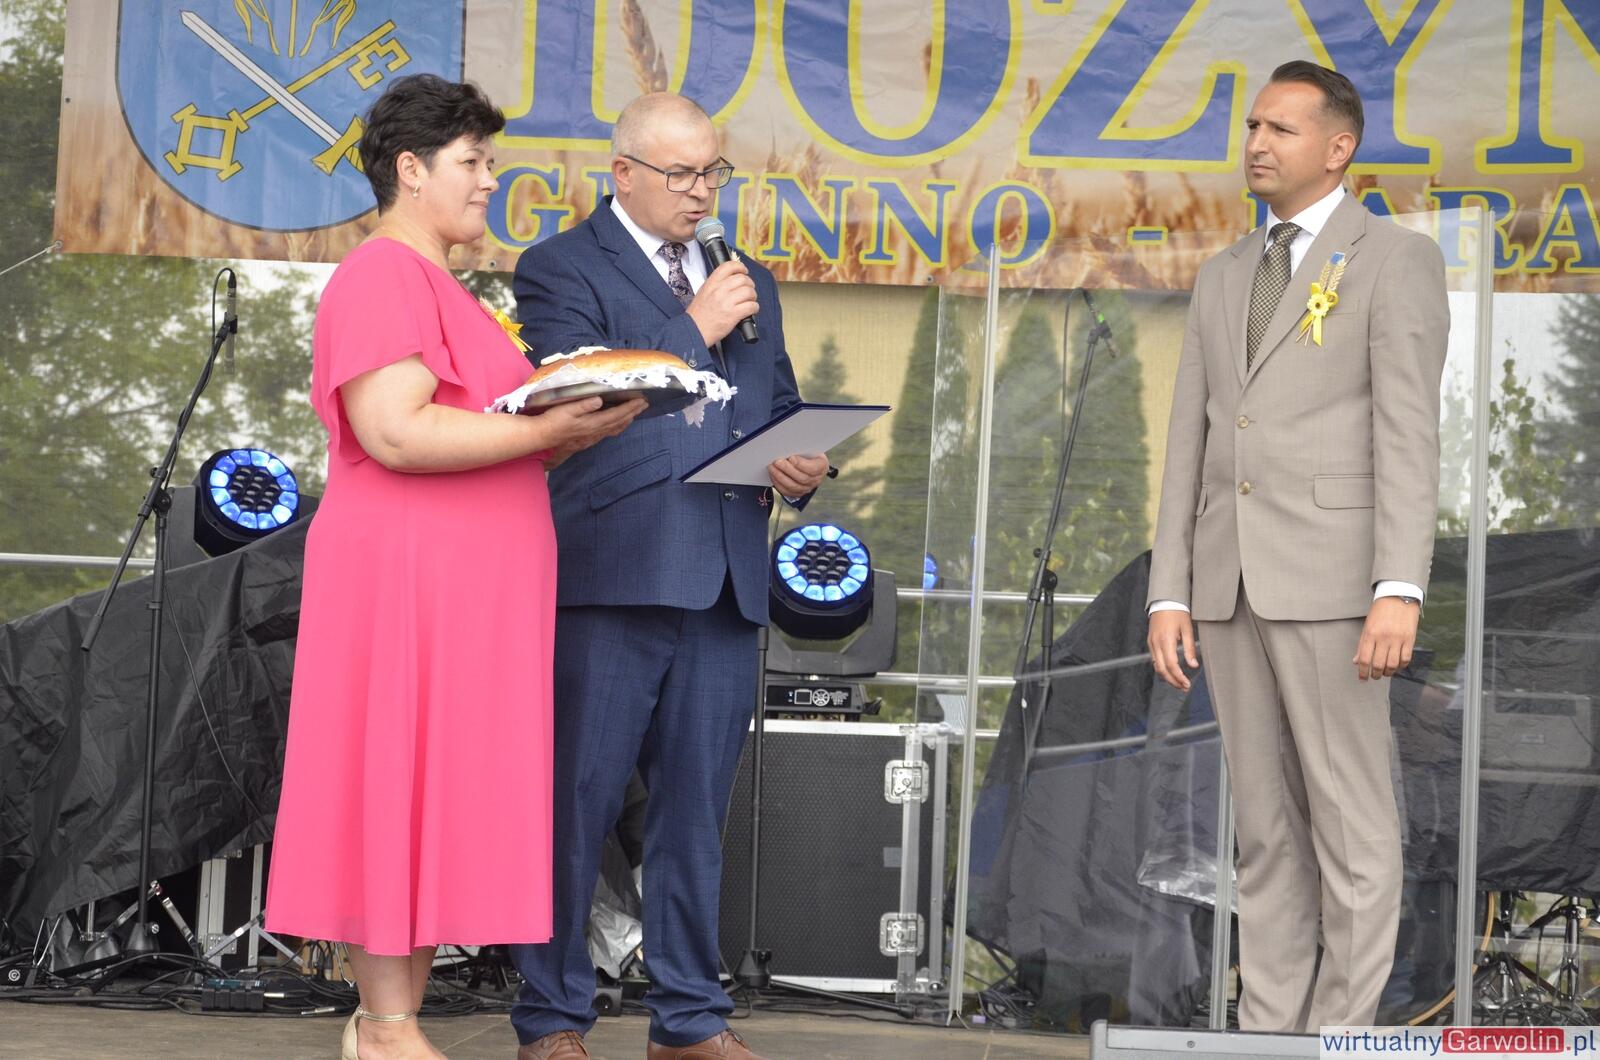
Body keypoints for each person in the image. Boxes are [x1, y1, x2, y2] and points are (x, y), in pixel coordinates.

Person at [265, 74, 645, 1060]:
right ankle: (387, 1025)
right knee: (398, 785)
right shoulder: (384, 275)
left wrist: (564, 425)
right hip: (409, 584)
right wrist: (546, 431)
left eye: (488, 161)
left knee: (431, 797)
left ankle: (390, 1023)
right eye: (473, 162)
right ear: (410, 168)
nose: (488, 181)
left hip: (461, 590)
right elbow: (394, 431)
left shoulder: (438, 285)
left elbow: (473, 430)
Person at [507, 92, 828, 1060]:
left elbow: (772, 400)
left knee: (693, 817)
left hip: (724, 575)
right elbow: (576, 391)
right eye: (681, 174)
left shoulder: (746, 278)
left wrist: (799, 459)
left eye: (713, 173)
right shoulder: (560, 266)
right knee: (576, 804)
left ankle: (687, 1017)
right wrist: (691, 323)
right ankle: (551, 1018)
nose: (701, 193)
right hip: (612, 571)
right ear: (624, 174)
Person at [1146, 60, 1448, 1032]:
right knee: (1265, 828)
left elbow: (1408, 435)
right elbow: (1190, 441)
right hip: (1229, 583)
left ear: (1338, 147)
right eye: (1252, 127)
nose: (1256, 143)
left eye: (1280, 128)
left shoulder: (1392, 258)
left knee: (1350, 821)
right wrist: (1169, 590)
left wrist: (1397, 585)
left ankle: (1340, 1034)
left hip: (1335, 583)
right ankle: (1267, 1034)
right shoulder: (1224, 271)